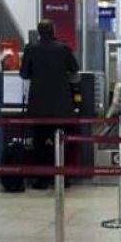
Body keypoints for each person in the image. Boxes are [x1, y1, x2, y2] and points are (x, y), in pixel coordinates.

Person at [19, 19, 79, 191]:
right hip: (61, 106)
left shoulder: (31, 49)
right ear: (53, 30)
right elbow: (75, 71)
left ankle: (41, 179)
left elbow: (24, 74)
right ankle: (62, 177)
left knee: (39, 144)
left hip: (38, 106)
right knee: (61, 143)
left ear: (38, 32)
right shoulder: (64, 49)